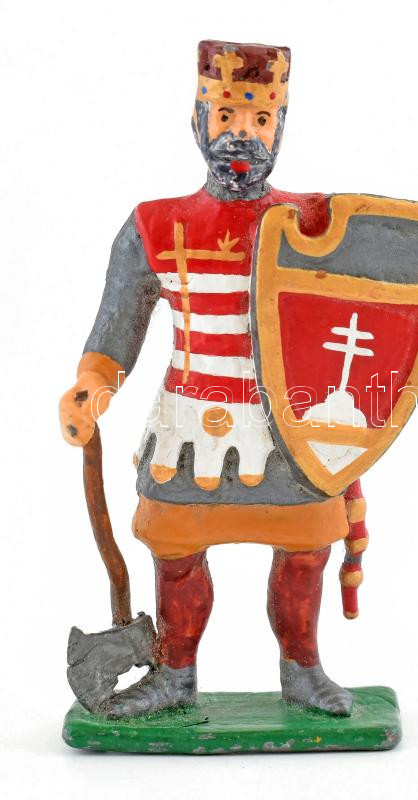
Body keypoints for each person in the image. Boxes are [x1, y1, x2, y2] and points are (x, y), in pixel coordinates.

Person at [59, 40, 368, 719]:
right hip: (189, 427)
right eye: (226, 115)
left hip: (289, 427)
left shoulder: (315, 221)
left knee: (304, 551)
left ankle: (302, 671)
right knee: (175, 554)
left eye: (260, 120)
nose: (242, 135)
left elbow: (365, 307)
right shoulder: (153, 224)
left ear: (280, 128)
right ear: (197, 121)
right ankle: (175, 674)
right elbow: (116, 330)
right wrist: (91, 387)